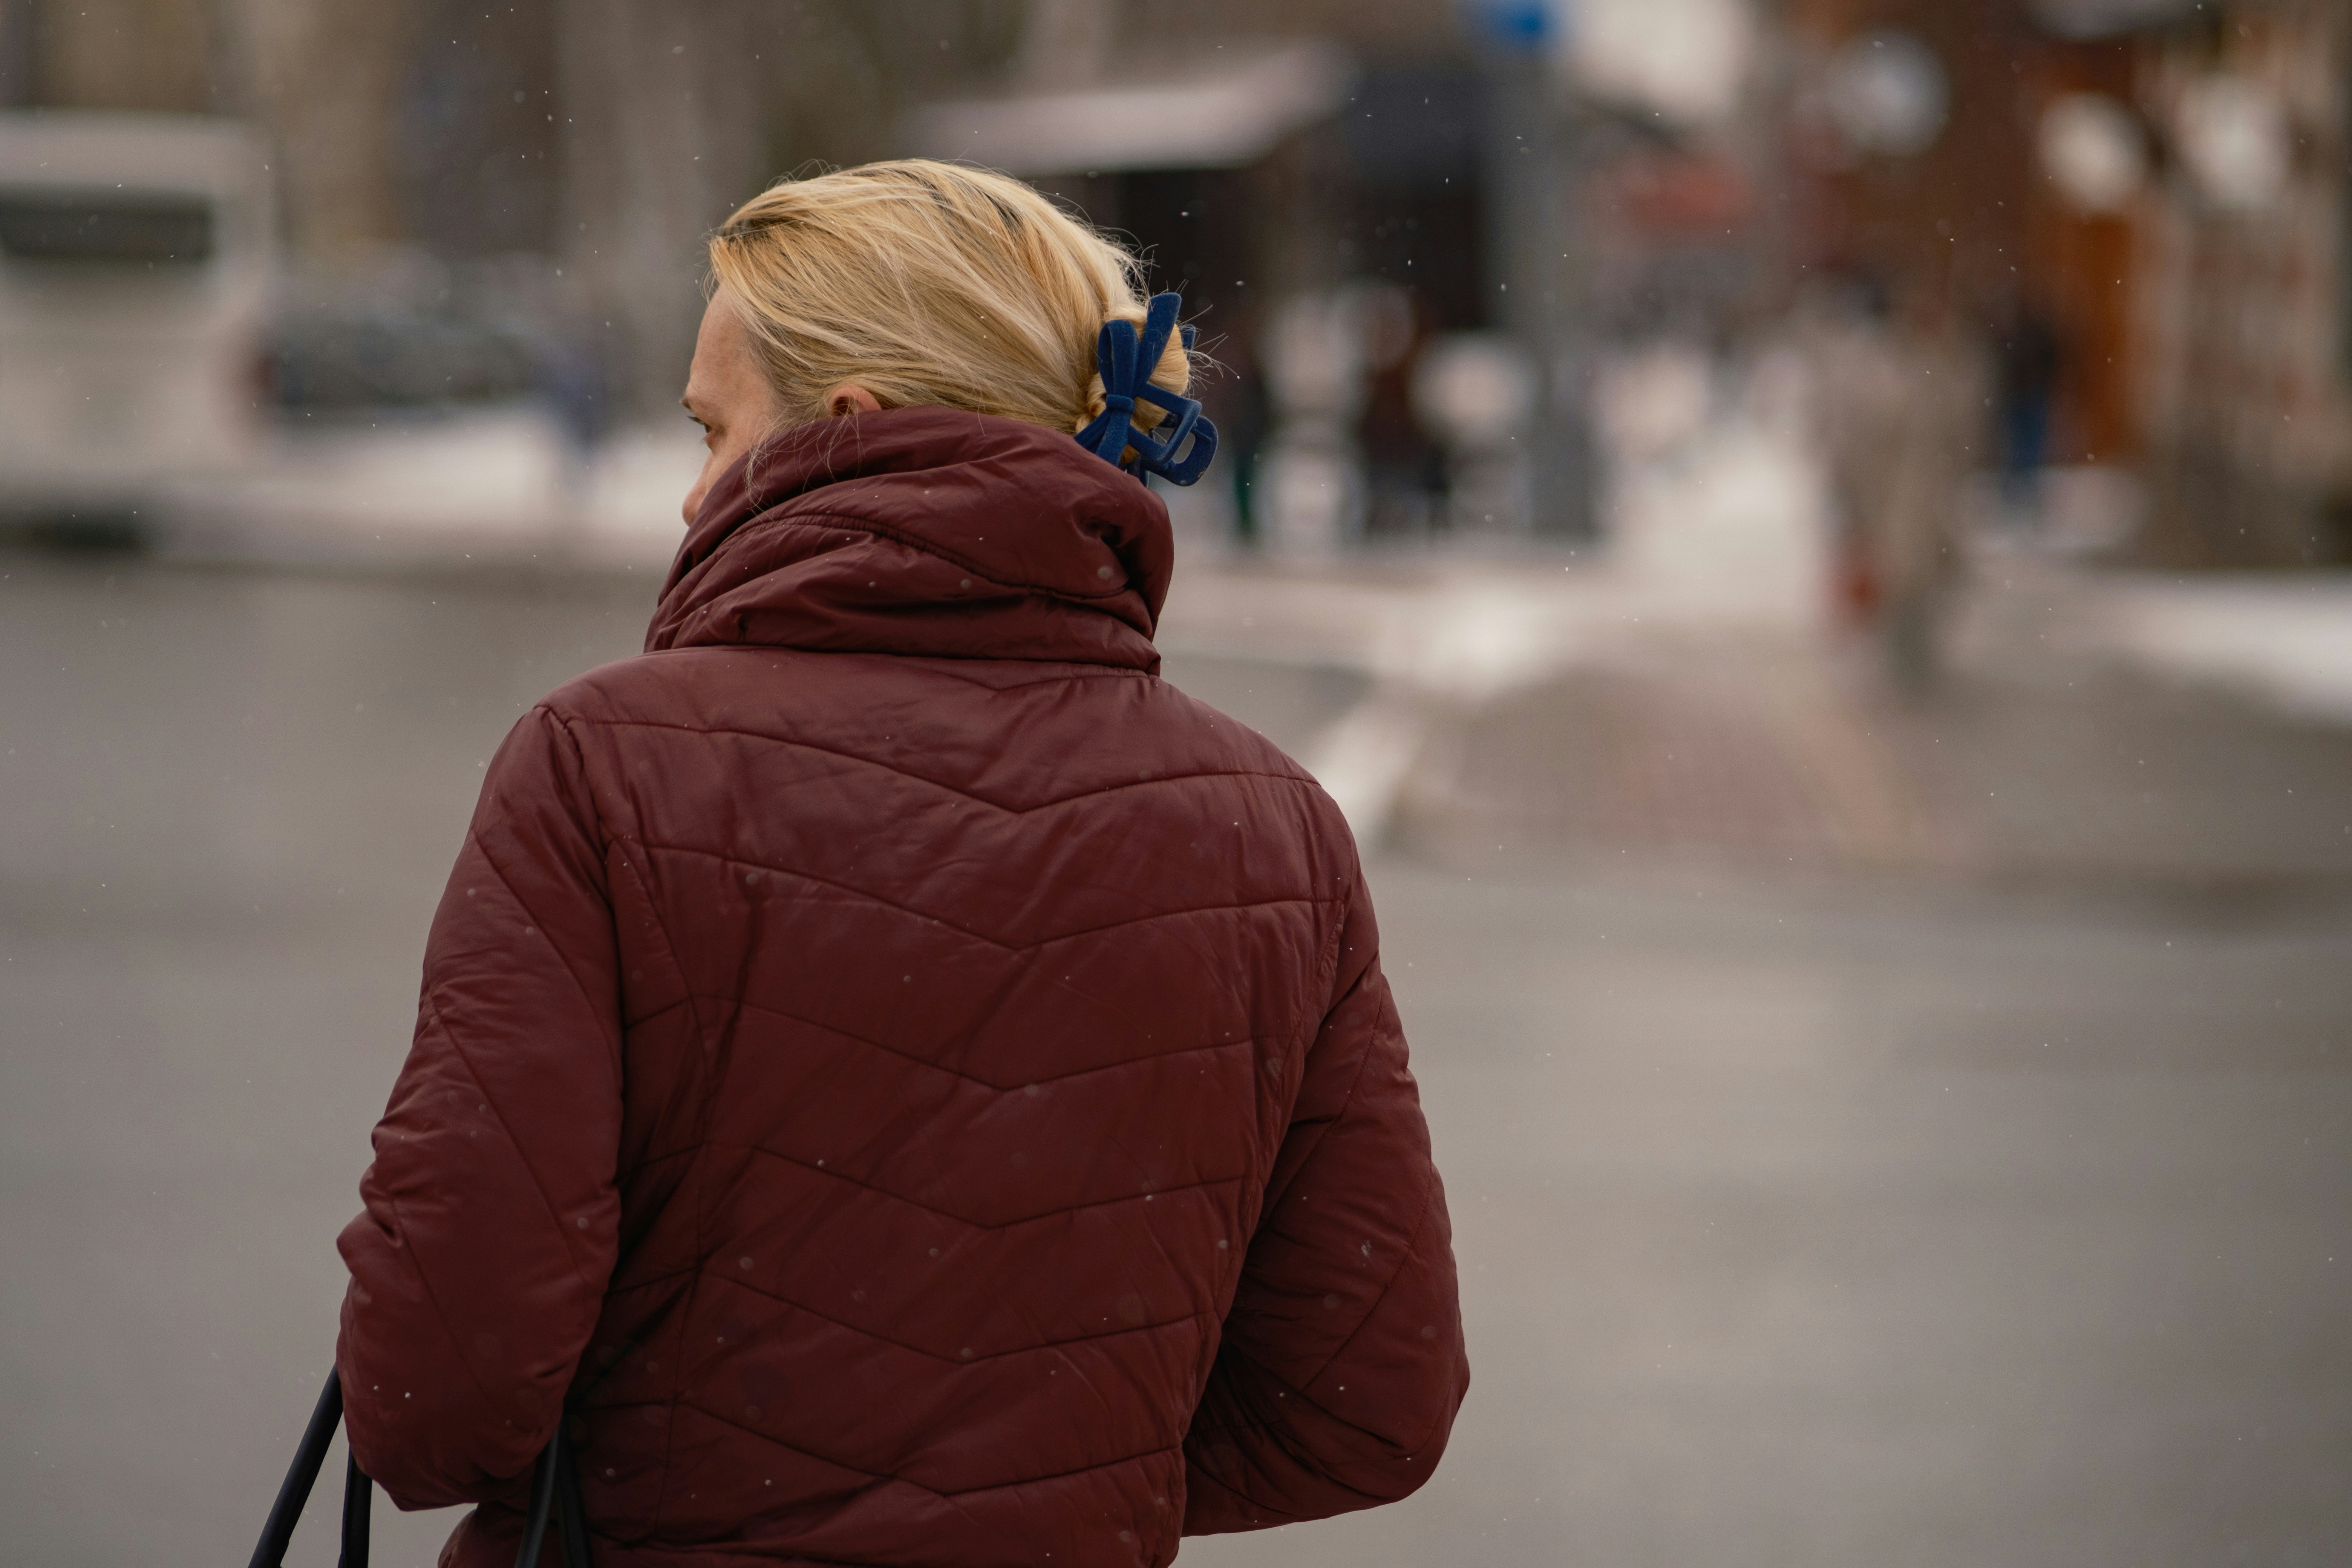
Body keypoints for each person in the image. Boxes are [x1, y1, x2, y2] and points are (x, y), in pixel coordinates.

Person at [332, 159, 1469, 1568]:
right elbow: (1367, 1404)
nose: (693, 503)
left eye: (712, 433)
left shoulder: (604, 765)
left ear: (851, 429)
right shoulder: (1272, 824)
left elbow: (435, 1399)